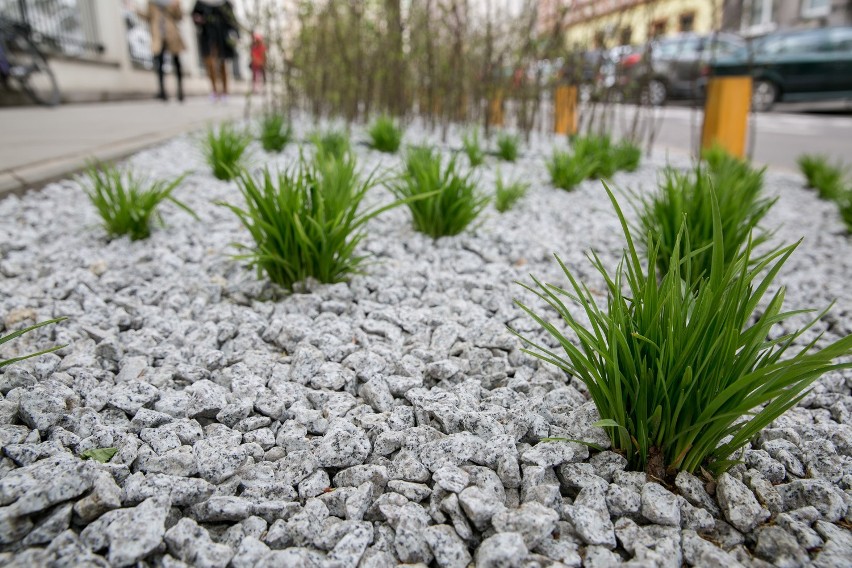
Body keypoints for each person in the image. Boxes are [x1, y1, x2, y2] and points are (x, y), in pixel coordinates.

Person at [192, 0, 239, 102]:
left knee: (222, 63)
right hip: (207, 36)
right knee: (210, 63)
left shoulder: (224, 3)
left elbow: (232, 20)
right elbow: (194, 16)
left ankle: (225, 91)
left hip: (222, 37)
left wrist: (235, 34)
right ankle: (214, 90)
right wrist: (198, 19)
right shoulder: (201, 3)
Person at [143, 0, 185, 102]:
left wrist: (175, 6)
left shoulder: (172, 2)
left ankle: (180, 90)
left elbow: (179, 17)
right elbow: (147, 17)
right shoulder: (152, 3)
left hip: (171, 34)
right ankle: (162, 91)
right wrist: (134, 9)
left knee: (176, 62)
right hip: (158, 35)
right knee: (159, 63)